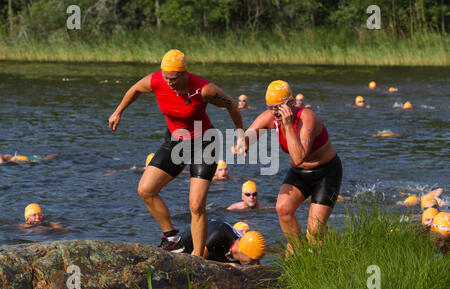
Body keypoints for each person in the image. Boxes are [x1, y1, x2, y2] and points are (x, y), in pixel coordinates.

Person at [108, 49, 245, 257]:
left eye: (173, 78)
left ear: (184, 74)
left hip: (204, 143)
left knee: (197, 204)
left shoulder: (204, 89)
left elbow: (231, 105)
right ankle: (172, 238)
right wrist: (118, 111)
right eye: (165, 77)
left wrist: (241, 134)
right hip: (175, 140)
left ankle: (197, 258)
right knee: (146, 189)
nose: (169, 83)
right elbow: (135, 89)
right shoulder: (156, 81)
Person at [234, 80, 342, 254]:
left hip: (326, 172)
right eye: (271, 107)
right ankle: (299, 254)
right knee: (283, 209)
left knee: (315, 232)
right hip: (299, 173)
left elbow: (299, 157)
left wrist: (288, 125)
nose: (275, 112)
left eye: (279, 107)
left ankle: (335, 245)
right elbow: (250, 134)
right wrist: (242, 144)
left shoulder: (307, 118)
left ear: (291, 103)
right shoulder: (270, 117)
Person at [179, 219, 266, 265]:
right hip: (183, 248)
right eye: (253, 260)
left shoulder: (247, 246)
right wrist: (225, 266)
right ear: (242, 251)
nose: (255, 264)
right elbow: (194, 261)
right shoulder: (218, 236)